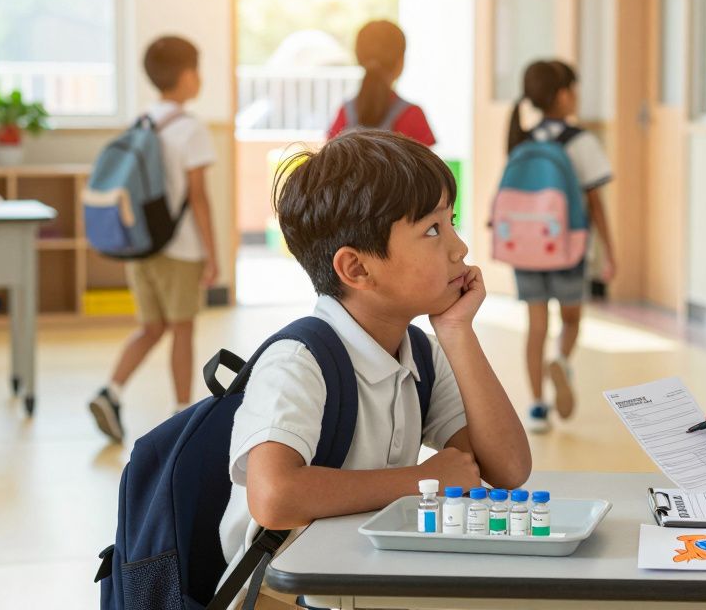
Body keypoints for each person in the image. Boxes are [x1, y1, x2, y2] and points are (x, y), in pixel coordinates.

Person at [219, 130, 530, 607]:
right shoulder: (299, 360)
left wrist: (457, 332)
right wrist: (420, 481)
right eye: (432, 229)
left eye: (452, 221)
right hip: (279, 599)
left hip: (357, 584)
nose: (460, 247)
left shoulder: (419, 351)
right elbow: (274, 496)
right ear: (358, 270)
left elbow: (506, 468)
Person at [89, 35, 218, 440]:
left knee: (151, 327)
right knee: (182, 328)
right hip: (179, 250)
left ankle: (110, 391)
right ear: (186, 76)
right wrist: (213, 255)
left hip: (141, 245)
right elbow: (198, 198)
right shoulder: (190, 128)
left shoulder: (142, 120)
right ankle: (183, 415)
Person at [505, 60, 615, 434]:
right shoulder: (579, 141)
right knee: (570, 320)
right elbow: (595, 203)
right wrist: (610, 255)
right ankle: (562, 361)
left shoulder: (521, 138)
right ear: (564, 94)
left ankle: (536, 407)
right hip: (567, 246)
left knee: (536, 326)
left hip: (526, 247)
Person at [326, 20, 436, 146]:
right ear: (401, 62)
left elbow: (328, 161)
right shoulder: (412, 115)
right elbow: (428, 165)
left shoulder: (345, 112)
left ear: (359, 58)